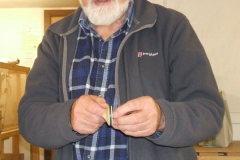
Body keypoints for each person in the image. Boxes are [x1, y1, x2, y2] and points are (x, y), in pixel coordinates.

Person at [18, 0, 224, 159]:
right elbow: (30, 119)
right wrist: (68, 117)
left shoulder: (173, 27)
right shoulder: (56, 37)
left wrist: (162, 118)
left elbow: (209, 111)